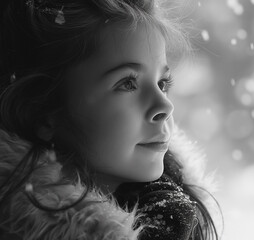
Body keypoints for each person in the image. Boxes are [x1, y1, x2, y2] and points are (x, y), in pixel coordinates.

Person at [0, 0, 221, 239]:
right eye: (128, 83)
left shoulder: (175, 216)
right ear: (44, 112)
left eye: (162, 83)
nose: (165, 106)